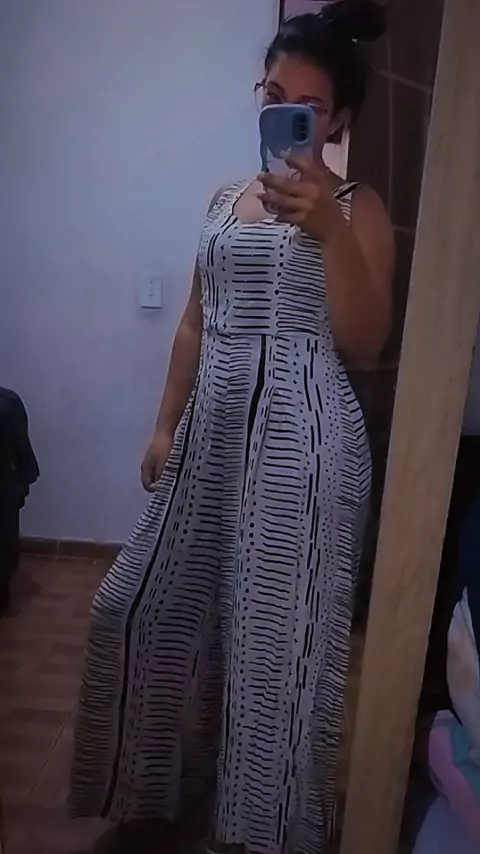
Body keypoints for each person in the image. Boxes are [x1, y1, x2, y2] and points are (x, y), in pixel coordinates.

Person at [70, 2, 394, 852]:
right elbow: (193, 320)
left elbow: (366, 344)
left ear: (339, 121)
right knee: (136, 608)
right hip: (208, 440)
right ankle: (158, 791)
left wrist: (329, 232)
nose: (282, 115)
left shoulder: (357, 207)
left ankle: (260, 830)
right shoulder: (222, 199)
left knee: (274, 647)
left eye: (307, 107)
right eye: (273, 96)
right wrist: (162, 427)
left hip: (305, 455)